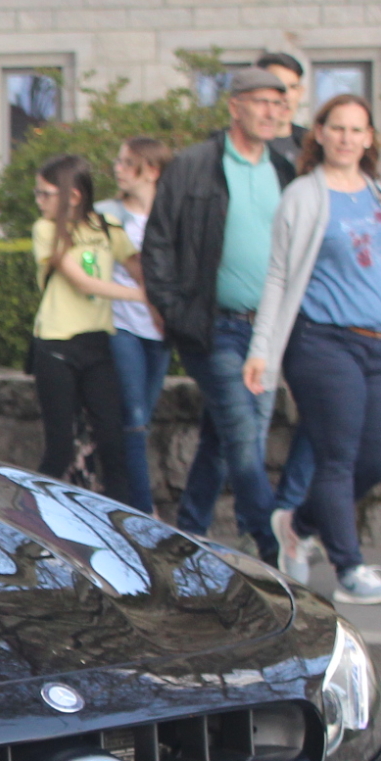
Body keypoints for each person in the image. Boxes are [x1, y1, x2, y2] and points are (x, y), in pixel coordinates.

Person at [242, 95, 381, 606]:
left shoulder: (378, 194)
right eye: (337, 128)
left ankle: (298, 524)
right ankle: (350, 569)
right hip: (323, 342)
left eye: (356, 130)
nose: (346, 138)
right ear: (319, 134)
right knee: (338, 457)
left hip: (380, 347)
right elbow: (278, 275)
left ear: (369, 139)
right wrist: (263, 351)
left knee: (378, 458)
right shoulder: (303, 195)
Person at [140, 67, 298, 559]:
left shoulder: (285, 168)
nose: (273, 112)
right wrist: (171, 307)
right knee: (244, 436)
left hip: (267, 331)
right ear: (235, 106)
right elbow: (159, 241)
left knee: (223, 435)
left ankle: (188, 530)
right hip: (214, 328)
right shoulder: (194, 165)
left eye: (280, 102)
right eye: (262, 102)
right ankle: (273, 543)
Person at [27, 153, 142, 501]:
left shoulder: (105, 226)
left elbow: (138, 265)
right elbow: (84, 283)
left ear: (74, 196)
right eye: (38, 193)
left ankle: (122, 524)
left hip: (97, 343)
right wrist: (143, 296)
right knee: (60, 446)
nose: (39, 201)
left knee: (112, 441)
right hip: (55, 345)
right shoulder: (46, 230)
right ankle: (33, 515)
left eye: (46, 194)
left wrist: (161, 300)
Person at [96, 136, 171, 513]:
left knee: (141, 416)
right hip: (120, 324)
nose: (118, 169)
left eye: (128, 163)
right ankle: (143, 511)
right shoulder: (105, 213)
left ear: (151, 170)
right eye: (119, 161)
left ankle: (117, 499)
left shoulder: (173, 214)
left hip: (160, 329)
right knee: (135, 418)